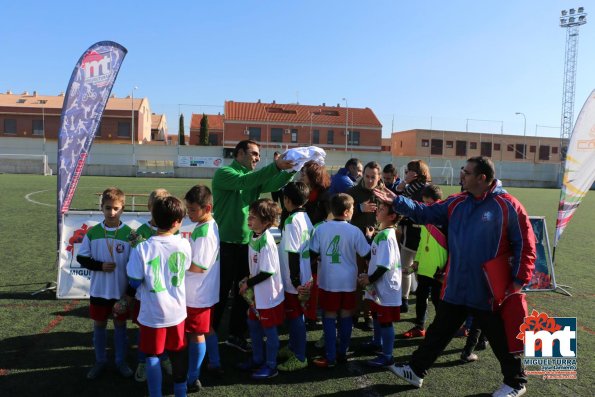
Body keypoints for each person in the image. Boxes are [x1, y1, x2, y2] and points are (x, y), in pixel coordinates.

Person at [375, 156, 536, 397]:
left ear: (482, 178)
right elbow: (424, 212)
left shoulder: (508, 205)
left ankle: (515, 382)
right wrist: (397, 201)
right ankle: (416, 370)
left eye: (467, 172)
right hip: (458, 285)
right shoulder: (457, 202)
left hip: (488, 289)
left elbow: (526, 245)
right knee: (440, 329)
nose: (462, 174)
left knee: (499, 337)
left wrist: (518, 281)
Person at [211, 139, 294, 352]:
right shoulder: (224, 173)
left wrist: (292, 169)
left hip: (247, 245)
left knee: (244, 291)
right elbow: (246, 182)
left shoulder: (253, 177)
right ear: (239, 154)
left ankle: (235, 335)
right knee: (219, 293)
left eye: (258, 155)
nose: (257, 158)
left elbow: (273, 184)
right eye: (254, 154)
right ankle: (209, 333)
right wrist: (276, 166)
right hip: (225, 244)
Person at [127, 196, 191, 397]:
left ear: (153, 218)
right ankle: (180, 391)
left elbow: (134, 281)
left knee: (152, 354)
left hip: (152, 312)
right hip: (177, 311)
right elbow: (185, 268)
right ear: (177, 222)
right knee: (178, 352)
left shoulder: (143, 248)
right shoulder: (184, 244)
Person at [77, 187, 134, 380]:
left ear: (123, 209)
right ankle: (100, 361)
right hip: (99, 291)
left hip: (120, 293)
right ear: (101, 208)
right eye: (108, 208)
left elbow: (135, 265)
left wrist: (128, 294)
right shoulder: (93, 232)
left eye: (116, 208)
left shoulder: (130, 234)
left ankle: (120, 362)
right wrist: (100, 266)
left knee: (120, 326)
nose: (112, 212)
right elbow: (81, 258)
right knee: (99, 326)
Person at [310, 193, 371, 368]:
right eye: (352, 209)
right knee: (345, 315)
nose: (353, 212)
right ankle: (342, 353)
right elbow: (367, 254)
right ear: (346, 212)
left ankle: (330, 356)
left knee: (329, 316)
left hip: (329, 281)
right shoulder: (354, 231)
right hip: (349, 282)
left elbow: (312, 255)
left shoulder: (321, 229)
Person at [237, 199, 285, 380]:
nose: (249, 219)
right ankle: (258, 359)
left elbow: (267, 272)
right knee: (253, 325)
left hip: (268, 296)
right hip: (257, 295)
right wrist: (247, 278)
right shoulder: (254, 236)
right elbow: (256, 268)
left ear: (265, 222)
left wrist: (247, 284)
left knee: (269, 330)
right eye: (249, 216)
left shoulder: (267, 242)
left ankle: (271, 365)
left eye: (253, 217)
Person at [131, 188, 173, 383]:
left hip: (166, 293)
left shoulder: (174, 231)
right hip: (144, 294)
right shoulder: (140, 232)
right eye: (156, 209)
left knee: (164, 329)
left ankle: (163, 356)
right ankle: (142, 361)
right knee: (144, 330)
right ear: (149, 208)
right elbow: (134, 264)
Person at [184, 185, 221, 392]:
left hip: (197, 293)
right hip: (203, 290)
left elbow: (199, 266)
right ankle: (214, 363)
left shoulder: (205, 232)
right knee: (206, 329)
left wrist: (176, 263)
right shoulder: (205, 225)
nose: (189, 213)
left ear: (207, 208)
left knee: (196, 334)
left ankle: (193, 377)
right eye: (188, 209)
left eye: (192, 210)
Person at [357, 201, 402, 367]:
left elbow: (384, 265)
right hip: (379, 285)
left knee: (385, 320)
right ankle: (377, 343)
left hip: (386, 287)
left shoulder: (385, 236)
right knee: (376, 315)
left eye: (382, 209)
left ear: (392, 216)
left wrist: (369, 279)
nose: (378, 211)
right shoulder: (382, 234)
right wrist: (370, 238)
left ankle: (387, 355)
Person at [277, 182, 313, 372]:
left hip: (296, 279)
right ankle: (293, 347)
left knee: (295, 316)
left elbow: (293, 253)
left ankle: (299, 356)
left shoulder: (291, 221)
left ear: (287, 200)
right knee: (297, 314)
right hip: (304, 275)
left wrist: (295, 281)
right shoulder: (305, 216)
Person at [402, 184, 447, 339]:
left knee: (437, 301)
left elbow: (453, 247)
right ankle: (419, 327)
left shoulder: (445, 218)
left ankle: (444, 329)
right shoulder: (425, 218)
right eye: (424, 203)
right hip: (424, 267)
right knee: (421, 298)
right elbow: (422, 243)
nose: (426, 208)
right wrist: (417, 262)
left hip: (438, 269)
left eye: (428, 203)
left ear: (437, 202)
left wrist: (446, 267)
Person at [347, 161, 383, 329]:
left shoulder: (383, 194)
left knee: (372, 280)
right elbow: (342, 216)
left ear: (379, 177)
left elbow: (394, 216)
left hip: (376, 243)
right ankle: (354, 313)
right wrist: (359, 209)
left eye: (373, 177)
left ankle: (368, 315)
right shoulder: (352, 192)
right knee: (356, 280)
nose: (369, 180)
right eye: (367, 176)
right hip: (356, 243)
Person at [394, 159, 431, 313]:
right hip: (408, 232)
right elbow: (397, 199)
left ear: (417, 173)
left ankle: (423, 300)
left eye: (409, 170)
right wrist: (403, 184)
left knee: (420, 270)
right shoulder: (408, 187)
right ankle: (404, 298)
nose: (406, 173)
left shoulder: (426, 188)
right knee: (404, 267)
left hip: (422, 234)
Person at [300, 160, 332, 225]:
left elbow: (330, 220)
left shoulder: (325, 197)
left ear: (313, 176)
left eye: (303, 175)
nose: (300, 177)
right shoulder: (304, 193)